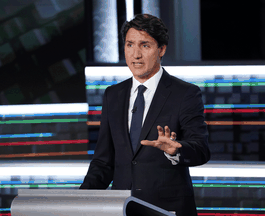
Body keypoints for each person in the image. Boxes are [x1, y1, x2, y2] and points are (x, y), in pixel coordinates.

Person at [80, 14, 210, 216]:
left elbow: (201, 149)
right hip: (122, 208)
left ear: (161, 50)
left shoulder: (185, 93)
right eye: (130, 45)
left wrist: (175, 150)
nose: (136, 54)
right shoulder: (113, 95)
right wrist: (80, 201)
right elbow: (103, 161)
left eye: (145, 46)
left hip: (167, 210)